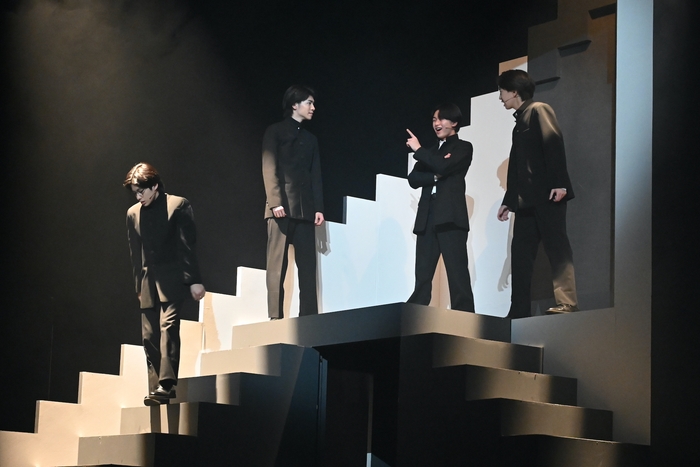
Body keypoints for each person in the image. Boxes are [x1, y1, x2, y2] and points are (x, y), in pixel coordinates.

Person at [496, 69, 578, 317]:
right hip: (525, 202)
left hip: (547, 196)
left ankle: (567, 302)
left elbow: (553, 144)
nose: (500, 97)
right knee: (521, 256)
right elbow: (518, 166)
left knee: (557, 247)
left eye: (502, 91)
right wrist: (509, 201)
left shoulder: (539, 110)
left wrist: (560, 184)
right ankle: (518, 310)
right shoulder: (520, 121)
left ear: (514, 91)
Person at [124, 163, 205, 405]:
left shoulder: (178, 205)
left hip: (173, 277)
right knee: (148, 335)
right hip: (148, 281)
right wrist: (138, 286)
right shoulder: (133, 213)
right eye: (135, 193)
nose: (138, 197)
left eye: (141, 191)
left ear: (155, 186)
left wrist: (194, 281)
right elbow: (135, 253)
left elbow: (187, 246)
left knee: (168, 327)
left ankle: (167, 384)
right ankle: (156, 388)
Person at [405, 103, 475, 312]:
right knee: (423, 273)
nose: (436, 123)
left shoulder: (463, 147)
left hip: (451, 216)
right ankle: (415, 313)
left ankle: (465, 316)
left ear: (454, 122)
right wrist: (435, 176)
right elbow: (413, 179)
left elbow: (444, 166)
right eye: (434, 119)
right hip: (427, 215)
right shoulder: (432, 152)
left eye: (441, 119)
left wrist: (419, 150)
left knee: (457, 272)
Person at [262, 85, 324, 319]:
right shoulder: (275, 131)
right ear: (294, 105)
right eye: (309, 102)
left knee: (308, 268)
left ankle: (308, 317)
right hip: (280, 208)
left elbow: (315, 175)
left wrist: (318, 208)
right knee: (277, 266)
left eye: (313, 103)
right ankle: (275, 316)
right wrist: (275, 202)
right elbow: (269, 167)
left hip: (306, 211)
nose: (313, 107)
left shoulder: (311, 139)